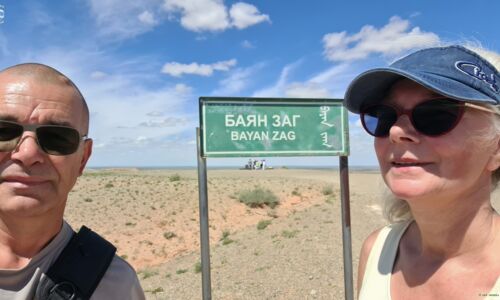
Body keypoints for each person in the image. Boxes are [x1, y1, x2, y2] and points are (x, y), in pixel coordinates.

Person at [344, 45, 500, 299]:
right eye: (383, 116)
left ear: (496, 147)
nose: (395, 131)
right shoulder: (377, 251)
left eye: (436, 114)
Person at [0, 63, 145, 299]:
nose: (27, 154)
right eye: (4, 132)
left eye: (57, 138)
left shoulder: (113, 284)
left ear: (82, 159)